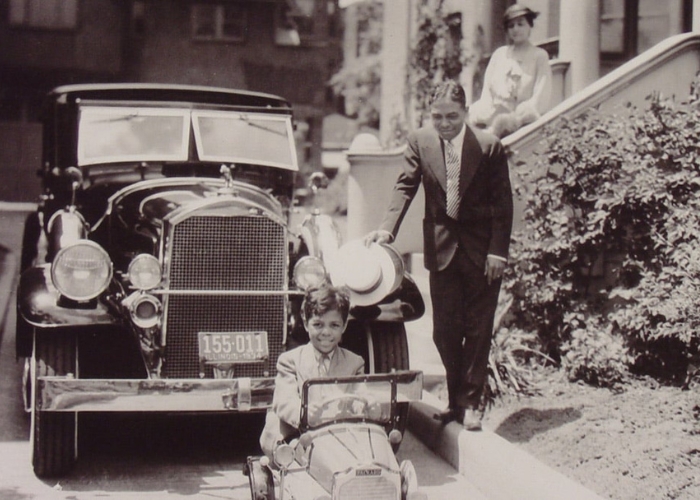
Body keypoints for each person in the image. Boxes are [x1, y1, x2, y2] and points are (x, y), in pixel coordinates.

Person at [365, 80, 513, 431]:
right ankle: (456, 400)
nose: (444, 123)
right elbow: (405, 186)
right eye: (437, 116)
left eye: (451, 116)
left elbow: (503, 205)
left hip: (482, 253)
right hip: (442, 250)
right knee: (444, 332)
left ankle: (469, 403)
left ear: (465, 111)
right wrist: (388, 229)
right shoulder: (421, 142)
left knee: (478, 330)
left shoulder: (489, 146)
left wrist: (498, 251)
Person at [259, 283, 365, 458]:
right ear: (306, 323)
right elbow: (283, 401)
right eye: (318, 324)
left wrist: (363, 404)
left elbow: (359, 396)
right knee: (282, 437)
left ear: (344, 326)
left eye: (334, 325)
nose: (326, 332)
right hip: (299, 433)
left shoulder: (354, 363)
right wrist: (304, 412)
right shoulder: (290, 361)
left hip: (339, 434)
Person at [469, 3, 552, 138]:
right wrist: (485, 112)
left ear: (530, 26)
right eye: (511, 26)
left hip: (522, 124)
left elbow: (541, 95)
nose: (515, 29)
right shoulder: (499, 54)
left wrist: (520, 116)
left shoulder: (539, 56)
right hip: (491, 119)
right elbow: (487, 92)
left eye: (520, 24)